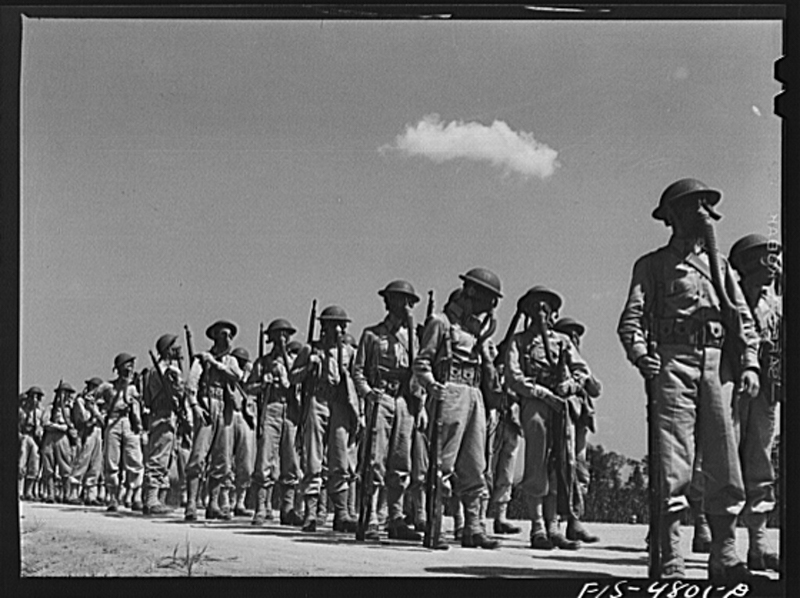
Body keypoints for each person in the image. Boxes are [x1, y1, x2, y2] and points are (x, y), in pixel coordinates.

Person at [617, 178, 761, 582]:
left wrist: (749, 363)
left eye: (705, 207)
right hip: (672, 362)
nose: (703, 215)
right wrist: (643, 356)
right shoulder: (652, 265)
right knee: (672, 463)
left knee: (724, 462)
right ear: (674, 216)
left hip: (718, 367)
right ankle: (670, 556)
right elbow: (631, 321)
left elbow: (743, 319)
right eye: (693, 207)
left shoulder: (722, 268)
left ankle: (725, 555)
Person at [413, 268, 504, 550]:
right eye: (488, 297)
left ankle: (474, 527)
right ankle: (436, 525)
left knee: (475, 465)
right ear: (472, 292)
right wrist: (431, 386)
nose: (491, 305)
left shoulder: (477, 331)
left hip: (474, 395)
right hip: (449, 392)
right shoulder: (440, 323)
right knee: (441, 464)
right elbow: (422, 363)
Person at [505, 287, 590, 551]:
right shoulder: (519, 341)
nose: (542, 313)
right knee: (537, 463)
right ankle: (538, 527)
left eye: (547, 307)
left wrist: (571, 385)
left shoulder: (563, 341)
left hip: (561, 407)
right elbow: (513, 376)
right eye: (536, 307)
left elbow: (582, 371)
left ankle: (554, 527)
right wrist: (540, 393)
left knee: (560, 464)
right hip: (535, 404)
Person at [353, 280, 424, 541]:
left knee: (401, 461)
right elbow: (358, 370)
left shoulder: (413, 338)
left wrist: (420, 404)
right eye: (399, 299)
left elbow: (418, 372)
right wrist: (368, 392)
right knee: (375, 459)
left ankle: (395, 518)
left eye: (408, 301)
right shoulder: (372, 334)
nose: (404, 306)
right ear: (388, 302)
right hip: (380, 397)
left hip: (404, 401)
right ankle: (370, 516)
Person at [728, 233, 782, 574]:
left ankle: (758, 546)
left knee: (760, 461)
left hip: (766, 388)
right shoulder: (728, 300)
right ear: (747, 264)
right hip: (731, 384)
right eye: (767, 258)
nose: (775, 264)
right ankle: (723, 544)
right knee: (724, 460)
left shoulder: (776, 304)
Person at [291, 305, 360, 533]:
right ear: (324, 327)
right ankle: (311, 513)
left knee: (340, 458)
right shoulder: (310, 349)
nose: (339, 330)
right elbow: (292, 378)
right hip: (317, 399)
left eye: (342, 326)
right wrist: (308, 366)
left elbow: (358, 378)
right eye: (334, 325)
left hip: (340, 402)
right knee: (313, 457)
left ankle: (341, 514)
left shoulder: (350, 352)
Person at [184, 320, 245, 521]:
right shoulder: (201, 360)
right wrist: (195, 406)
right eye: (223, 334)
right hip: (206, 405)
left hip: (225, 407)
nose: (227, 339)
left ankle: (214, 503)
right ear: (215, 337)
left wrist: (215, 363)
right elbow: (191, 385)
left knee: (222, 459)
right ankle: (191, 504)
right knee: (198, 455)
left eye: (229, 335)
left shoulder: (230, 361)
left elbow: (237, 376)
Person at [248, 319, 303, 526]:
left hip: (290, 409)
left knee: (290, 459)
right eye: (278, 334)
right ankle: (261, 507)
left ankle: (287, 508)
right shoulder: (262, 362)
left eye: (285, 334)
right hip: (271, 407)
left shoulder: (294, 360)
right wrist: (263, 384)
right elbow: (248, 388)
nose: (282, 338)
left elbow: (299, 382)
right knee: (265, 458)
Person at [552, 316, 602, 543]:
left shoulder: (579, 364)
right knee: (561, 469)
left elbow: (595, 388)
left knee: (580, 471)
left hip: (580, 419)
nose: (575, 340)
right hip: (562, 418)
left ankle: (575, 521)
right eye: (571, 335)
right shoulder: (557, 361)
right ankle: (554, 521)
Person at [142, 334, 185, 515]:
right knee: (158, 457)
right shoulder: (164, 371)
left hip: (167, 416)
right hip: (163, 415)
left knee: (167, 458)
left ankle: (159, 498)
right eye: (175, 346)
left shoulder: (161, 369)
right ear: (168, 349)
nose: (179, 349)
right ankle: (151, 499)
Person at [96, 354, 145, 512]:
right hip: (113, 422)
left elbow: (140, 408)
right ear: (118, 369)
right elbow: (89, 399)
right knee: (111, 462)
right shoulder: (107, 387)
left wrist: (140, 425)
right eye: (126, 366)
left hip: (130, 423)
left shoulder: (133, 388)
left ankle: (135, 496)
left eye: (131, 366)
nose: (129, 369)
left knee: (135, 461)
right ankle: (113, 497)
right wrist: (99, 417)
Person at [66, 377, 105, 506]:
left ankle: (91, 495)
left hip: (98, 433)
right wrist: (93, 411)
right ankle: (73, 493)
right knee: (82, 462)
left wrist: (96, 411)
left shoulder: (101, 403)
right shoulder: (80, 401)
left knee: (96, 464)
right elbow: (83, 420)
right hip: (86, 433)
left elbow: (105, 421)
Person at [229, 346, 256, 517]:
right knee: (226, 461)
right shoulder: (229, 372)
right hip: (231, 415)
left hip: (247, 418)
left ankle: (240, 500)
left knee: (246, 463)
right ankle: (228, 501)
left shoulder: (251, 374)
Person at [40, 381, 77, 503]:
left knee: (66, 467)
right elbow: (45, 422)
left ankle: (67, 495)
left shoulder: (71, 409)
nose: (64, 396)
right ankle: (51, 494)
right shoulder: (51, 408)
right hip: (50, 436)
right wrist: (58, 426)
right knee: (49, 467)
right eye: (62, 393)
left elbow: (76, 423)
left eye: (67, 393)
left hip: (63, 438)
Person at [19, 387, 45, 501]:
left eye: (37, 397)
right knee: (21, 464)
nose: (34, 399)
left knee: (34, 465)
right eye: (32, 396)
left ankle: (29, 491)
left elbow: (43, 426)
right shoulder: (22, 411)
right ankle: (19, 491)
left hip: (35, 439)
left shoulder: (41, 412)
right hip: (25, 436)